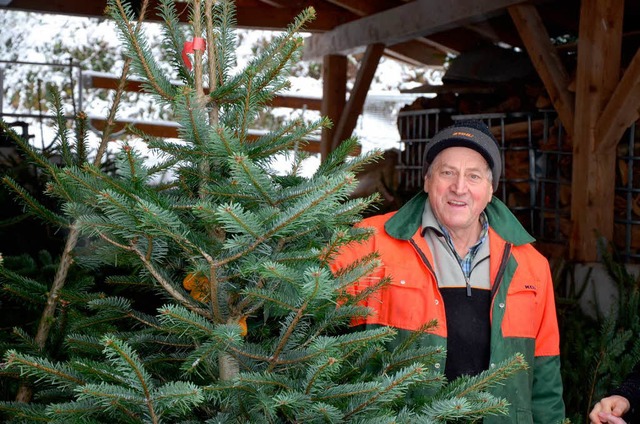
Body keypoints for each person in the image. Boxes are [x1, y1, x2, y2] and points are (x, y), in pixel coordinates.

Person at [330, 119, 565, 423]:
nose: (459, 187)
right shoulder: (370, 243)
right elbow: (299, 308)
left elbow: (545, 379)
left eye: (474, 176)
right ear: (427, 180)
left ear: (490, 189)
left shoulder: (531, 266)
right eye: (447, 173)